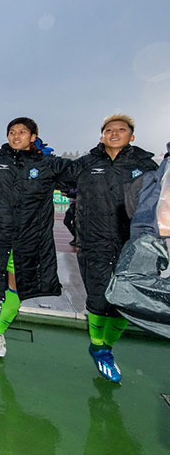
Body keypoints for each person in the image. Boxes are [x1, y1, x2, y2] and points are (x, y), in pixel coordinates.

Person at [63, 114, 158, 382]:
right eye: (109, 130)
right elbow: (55, 177)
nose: (114, 133)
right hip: (93, 242)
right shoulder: (86, 164)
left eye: (121, 129)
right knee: (97, 298)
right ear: (102, 135)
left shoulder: (146, 166)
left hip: (133, 244)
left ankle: (106, 346)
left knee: (127, 300)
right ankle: (98, 346)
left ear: (132, 136)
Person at [0, 117, 71, 357]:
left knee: (17, 286)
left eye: (22, 132)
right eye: (12, 132)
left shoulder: (47, 164)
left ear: (33, 137)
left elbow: (78, 179)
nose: (16, 136)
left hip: (28, 238)